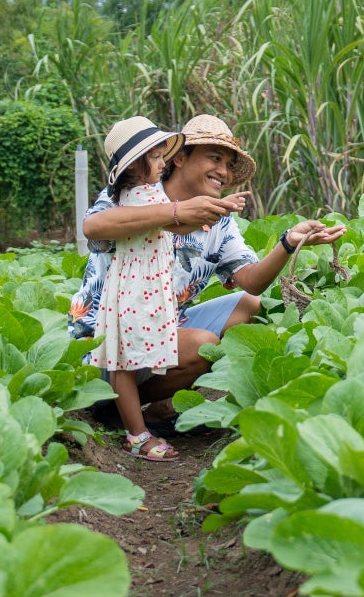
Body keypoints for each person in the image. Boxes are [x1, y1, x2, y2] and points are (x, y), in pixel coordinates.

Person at [70, 114, 345, 412]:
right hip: (105, 343)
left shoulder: (219, 222)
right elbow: (93, 226)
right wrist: (177, 212)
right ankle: (118, 410)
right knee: (203, 344)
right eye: (214, 158)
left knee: (248, 303)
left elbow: (252, 280)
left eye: (228, 165)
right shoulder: (138, 190)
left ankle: (159, 402)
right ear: (179, 159)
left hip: (161, 329)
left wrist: (289, 242)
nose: (223, 172)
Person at [89, 117, 186, 461]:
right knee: (124, 363)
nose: (163, 163)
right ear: (136, 163)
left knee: (128, 360)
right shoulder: (137, 197)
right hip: (133, 288)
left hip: (143, 287)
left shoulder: (151, 193)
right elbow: (170, 217)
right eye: (157, 157)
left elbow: (172, 218)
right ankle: (136, 434)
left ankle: (139, 426)